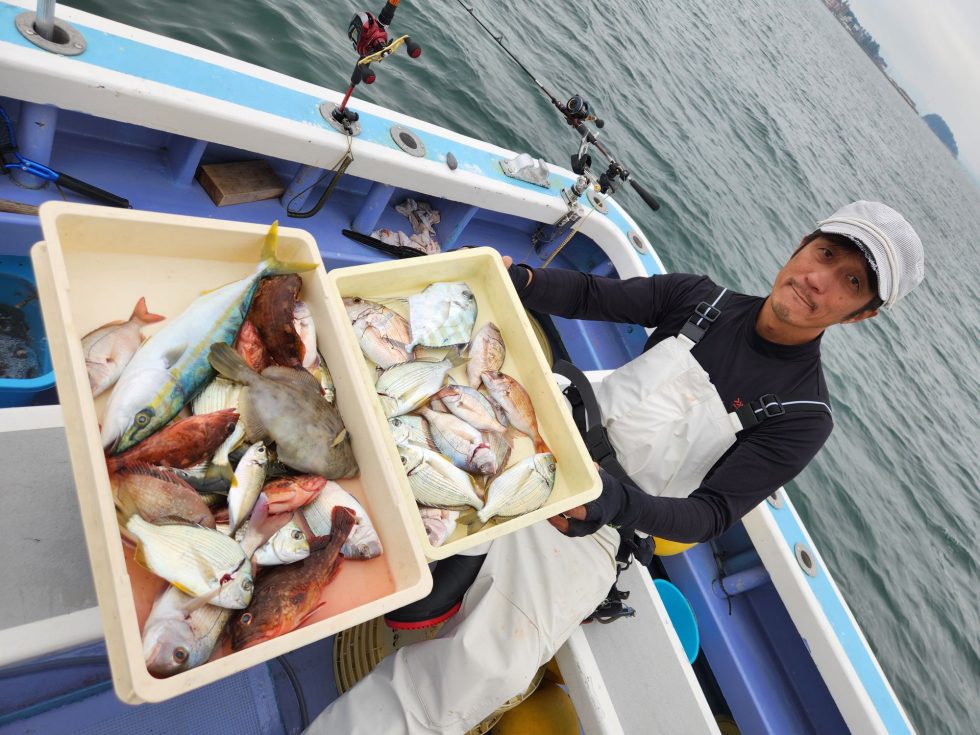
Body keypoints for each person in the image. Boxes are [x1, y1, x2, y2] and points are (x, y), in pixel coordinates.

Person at [307, 200, 925, 735]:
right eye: (823, 255)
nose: (819, 280)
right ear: (800, 247)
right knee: (357, 472)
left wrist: (612, 506)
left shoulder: (803, 414)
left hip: (601, 526)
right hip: (541, 436)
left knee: (486, 668)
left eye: (849, 282)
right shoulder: (698, 298)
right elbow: (585, 294)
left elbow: (710, 513)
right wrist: (515, 276)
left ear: (860, 314)